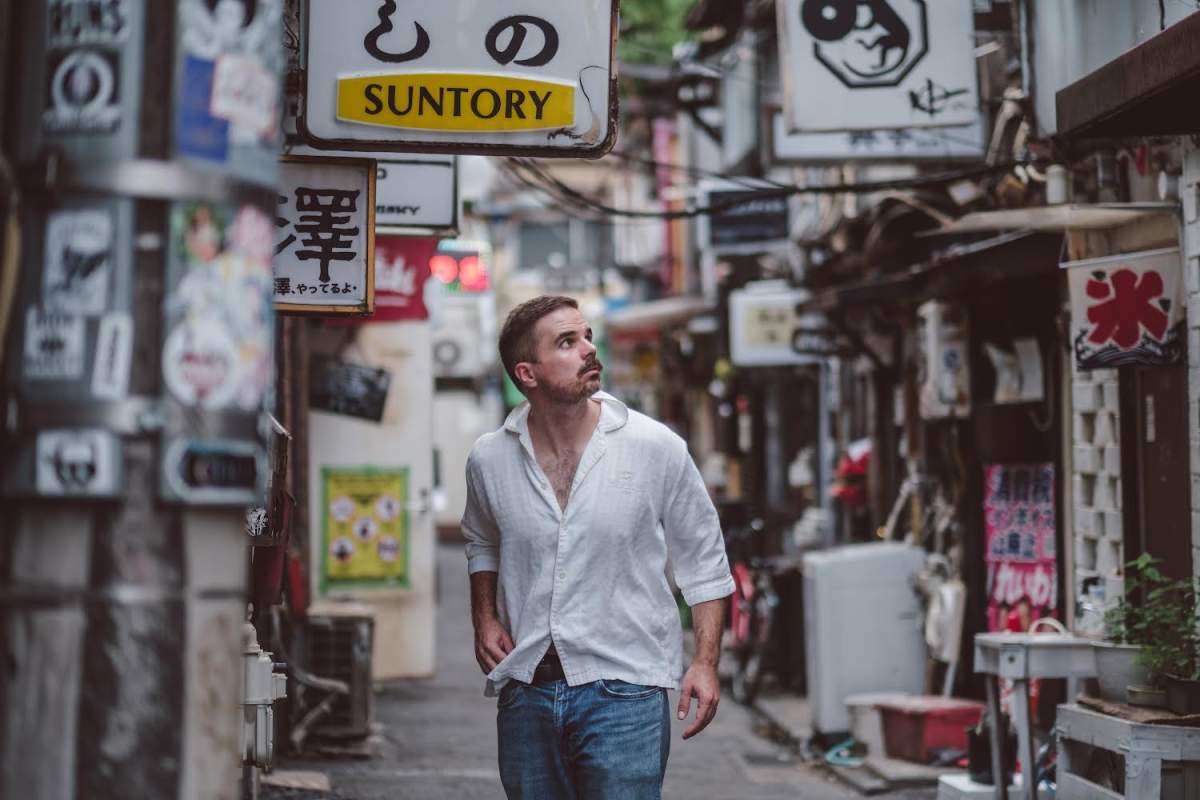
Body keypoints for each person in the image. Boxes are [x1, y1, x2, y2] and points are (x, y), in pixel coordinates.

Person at [462, 295, 735, 799]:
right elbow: (482, 540)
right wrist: (484, 616)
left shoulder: (654, 447)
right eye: (567, 342)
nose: (589, 349)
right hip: (527, 689)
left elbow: (704, 563)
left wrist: (705, 661)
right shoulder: (489, 458)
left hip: (626, 691)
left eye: (586, 336)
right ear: (527, 373)